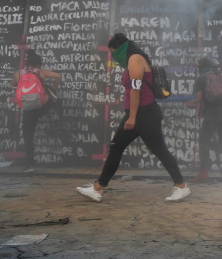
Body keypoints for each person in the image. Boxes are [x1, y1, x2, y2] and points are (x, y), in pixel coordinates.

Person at [76, 33, 190, 203]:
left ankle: (181, 187)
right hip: (140, 113)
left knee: (159, 149)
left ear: (121, 49)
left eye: (114, 52)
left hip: (144, 113)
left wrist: (132, 117)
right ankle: (98, 188)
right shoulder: (134, 59)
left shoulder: (135, 59)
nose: (113, 56)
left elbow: (136, 89)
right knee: (117, 147)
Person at [189, 57, 222, 183]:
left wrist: (191, 101)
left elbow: (199, 98)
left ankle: (204, 172)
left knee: (204, 141)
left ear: (201, 66)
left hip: (212, 113)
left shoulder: (202, 77)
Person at [11, 50, 61, 172]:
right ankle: (54, 101)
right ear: (38, 64)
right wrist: (53, 88)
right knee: (51, 98)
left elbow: (13, 85)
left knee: (28, 136)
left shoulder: (18, 74)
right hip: (42, 105)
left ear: (26, 64)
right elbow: (58, 76)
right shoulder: (41, 72)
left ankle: (29, 165)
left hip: (27, 108)